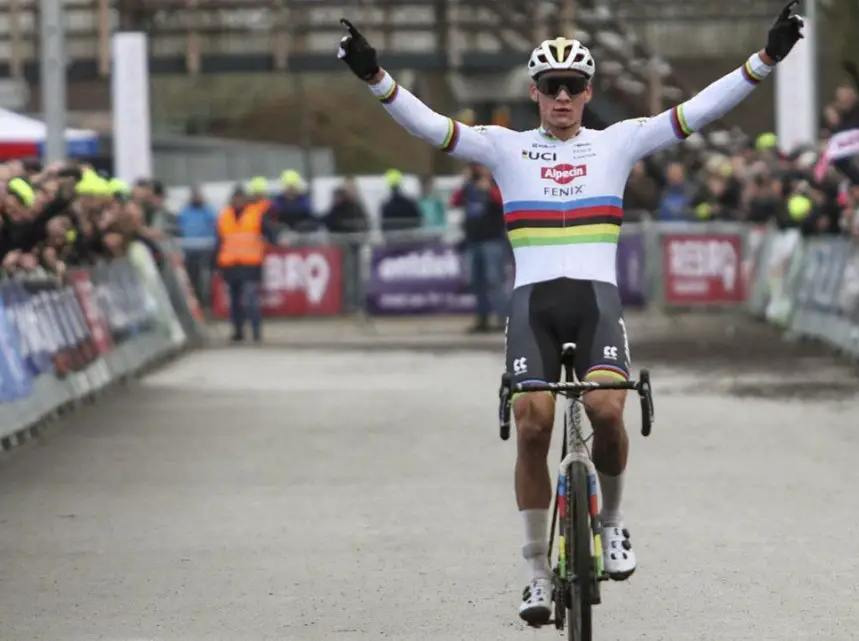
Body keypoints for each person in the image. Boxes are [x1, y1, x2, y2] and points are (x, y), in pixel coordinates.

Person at [337, 1, 804, 624]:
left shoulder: (620, 140)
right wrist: (376, 77)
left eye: (574, 87)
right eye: (552, 87)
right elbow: (431, 127)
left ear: (589, 93)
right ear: (535, 93)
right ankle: (534, 569)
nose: (563, 97)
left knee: (609, 411)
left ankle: (610, 525)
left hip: (595, 302)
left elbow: (699, 110)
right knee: (532, 424)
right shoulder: (504, 147)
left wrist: (766, 59)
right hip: (534, 303)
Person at [213, 186, 281, 342]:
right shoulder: (224, 216)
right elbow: (219, 242)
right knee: (234, 301)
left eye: (240, 198)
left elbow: (270, 231)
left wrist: (275, 241)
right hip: (230, 264)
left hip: (250, 263)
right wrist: (215, 264)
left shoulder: (256, 215)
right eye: (235, 199)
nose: (237, 201)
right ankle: (238, 331)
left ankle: (256, 331)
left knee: (250, 298)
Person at [450, 164, 508, 332]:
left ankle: (502, 318)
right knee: (477, 281)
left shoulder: (496, 185)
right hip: (473, 240)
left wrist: (488, 188)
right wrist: (464, 183)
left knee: (495, 280)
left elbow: (502, 202)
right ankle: (482, 319)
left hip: (492, 240)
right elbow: (454, 201)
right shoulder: (468, 187)